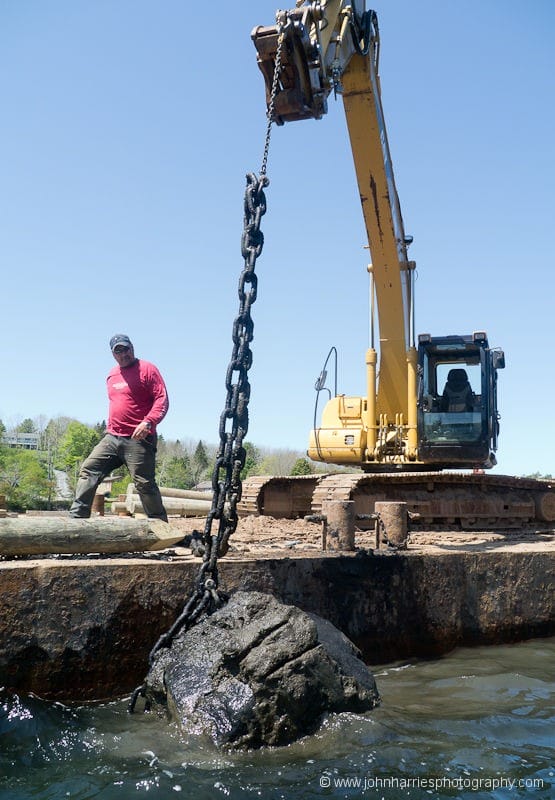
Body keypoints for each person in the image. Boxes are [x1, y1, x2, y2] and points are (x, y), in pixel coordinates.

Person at [69, 334, 169, 521]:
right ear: (113, 354)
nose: (124, 354)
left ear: (133, 348)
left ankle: (160, 525)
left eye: (126, 349)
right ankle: (77, 519)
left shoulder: (147, 369)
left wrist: (148, 422)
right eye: (119, 351)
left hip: (139, 439)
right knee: (89, 469)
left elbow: (162, 399)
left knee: (144, 484)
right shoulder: (112, 375)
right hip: (112, 437)